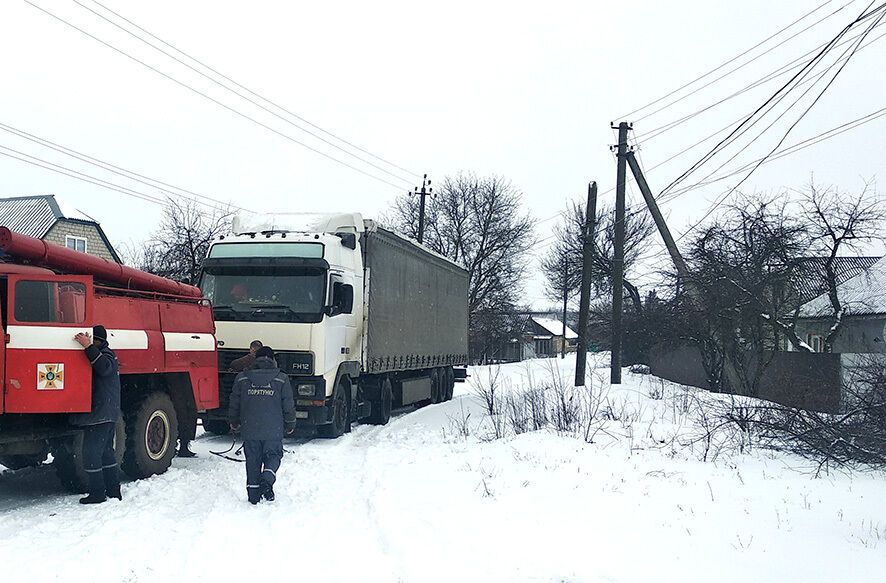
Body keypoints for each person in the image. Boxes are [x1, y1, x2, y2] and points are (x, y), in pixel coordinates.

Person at [228, 346, 296, 504]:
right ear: (272, 359)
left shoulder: (242, 378)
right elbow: (288, 404)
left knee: (252, 460)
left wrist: (234, 421)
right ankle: (267, 477)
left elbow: (234, 403)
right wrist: (290, 422)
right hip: (273, 429)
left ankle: (253, 495)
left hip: (250, 428)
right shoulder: (281, 379)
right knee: (273, 455)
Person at [72, 325, 122, 505]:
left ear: (98, 340)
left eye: (93, 340)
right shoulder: (107, 352)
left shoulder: (107, 354)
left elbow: (104, 367)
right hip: (106, 412)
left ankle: (98, 493)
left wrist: (88, 347)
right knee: (106, 453)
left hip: (101, 413)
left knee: (91, 453)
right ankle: (114, 491)